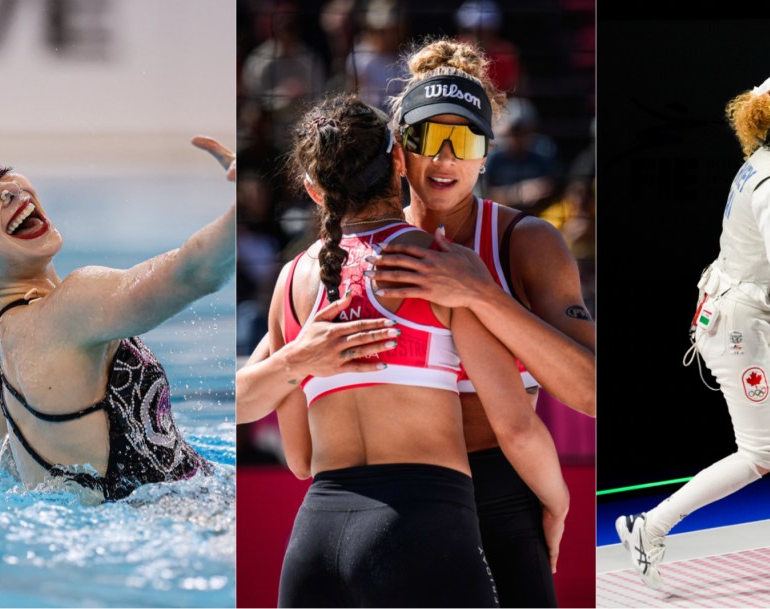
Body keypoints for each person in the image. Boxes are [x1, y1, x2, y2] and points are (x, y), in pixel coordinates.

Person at [239, 94, 569, 607]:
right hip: (422, 528)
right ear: (398, 159)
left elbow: (301, 460)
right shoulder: (441, 266)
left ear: (312, 190)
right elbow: (516, 427)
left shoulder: (291, 282)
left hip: (314, 543)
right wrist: (557, 503)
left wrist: (298, 362)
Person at [365, 38, 595, 607]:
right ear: (400, 151)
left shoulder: (527, 243)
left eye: (463, 140)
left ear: (485, 155)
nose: (445, 158)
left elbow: (591, 391)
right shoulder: (361, 246)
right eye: (428, 138)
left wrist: (481, 296)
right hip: (395, 490)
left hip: (499, 490)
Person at [0, 138, 236, 502]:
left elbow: (8, 477)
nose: (6, 191)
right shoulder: (69, 309)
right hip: (180, 523)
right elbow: (196, 272)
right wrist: (248, 204)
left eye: (0, 173)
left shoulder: (6, 365)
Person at [615, 73, 770, 589]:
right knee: (758, 454)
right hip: (736, 324)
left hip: (752, 313)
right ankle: (649, 528)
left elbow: (762, 264)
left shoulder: (765, 163)